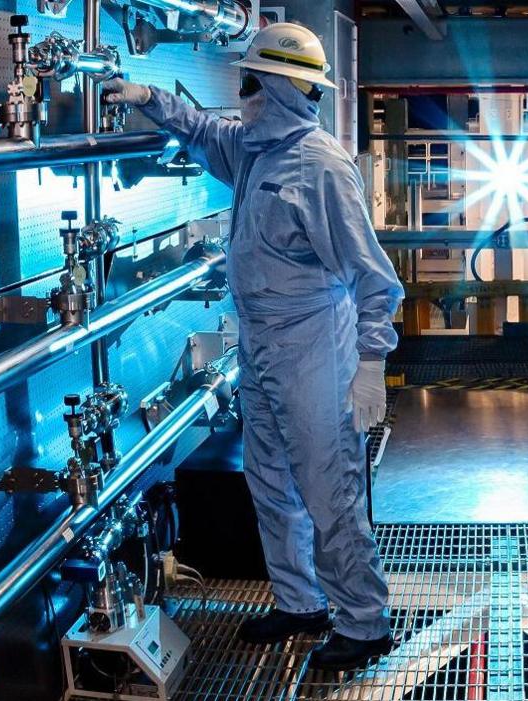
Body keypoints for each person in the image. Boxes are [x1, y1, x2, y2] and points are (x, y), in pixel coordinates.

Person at [102, 22, 403, 671]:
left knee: (330, 489)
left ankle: (365, 621)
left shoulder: (321, 166)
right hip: (261, 344)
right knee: (270, 480)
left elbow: (374, 278)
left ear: (276, 86)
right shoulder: (256, 148)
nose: (240, 94)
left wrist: (372, 364)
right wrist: (148, 98)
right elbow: (204, 130)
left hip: (315, 344)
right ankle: (301, 601)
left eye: (248, 81)